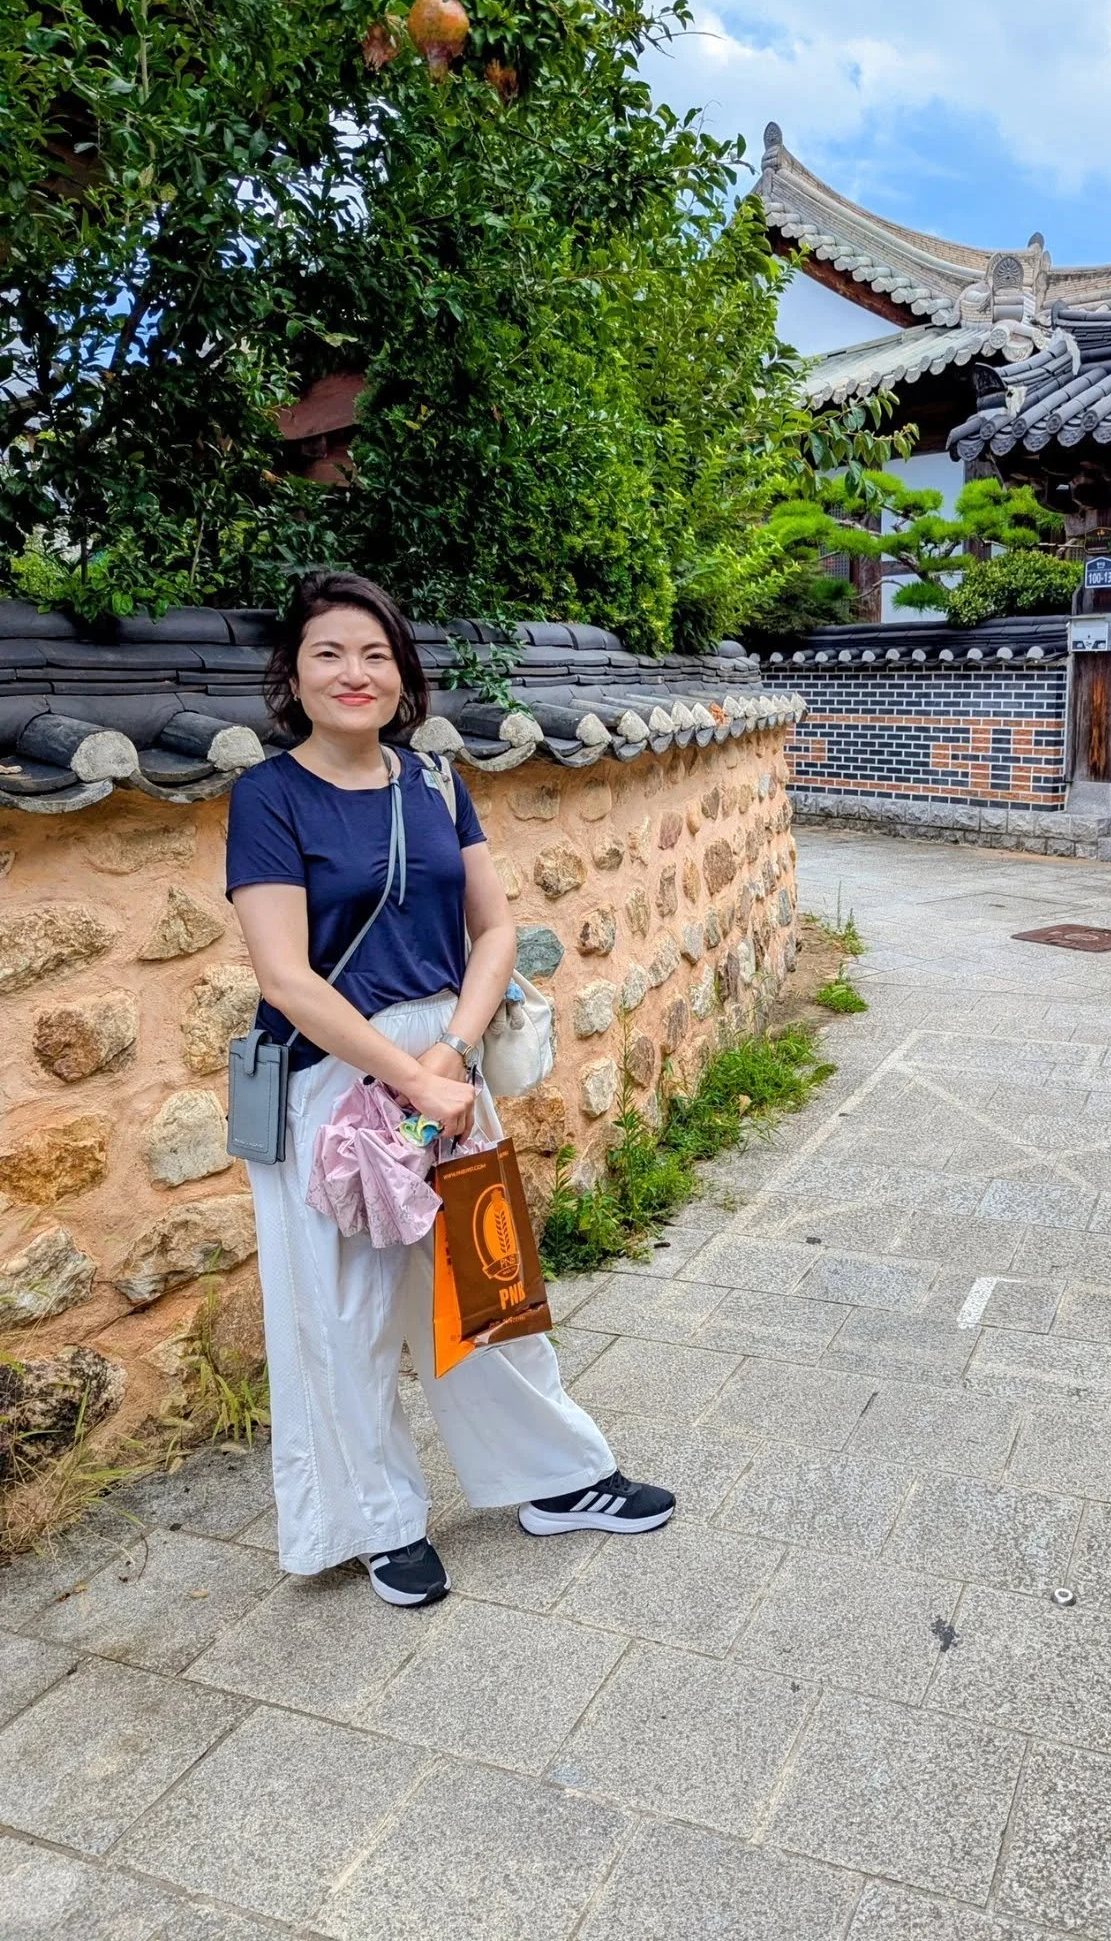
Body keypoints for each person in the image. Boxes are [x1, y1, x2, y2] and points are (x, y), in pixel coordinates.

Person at [226, 569, 673, 1606]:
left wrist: (455, 1056)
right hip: (330, 1078)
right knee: (340, 1311)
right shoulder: (268, 797)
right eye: (329, 653)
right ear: (293, 672)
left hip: (450, 1067)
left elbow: (496, 927)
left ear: (402, 674)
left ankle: (557, 1477)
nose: (355, 672)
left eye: (375, 654)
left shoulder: (433, 782)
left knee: (485, 1281)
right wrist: (410, 1074)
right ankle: (374, 1521)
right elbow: (285, 976)